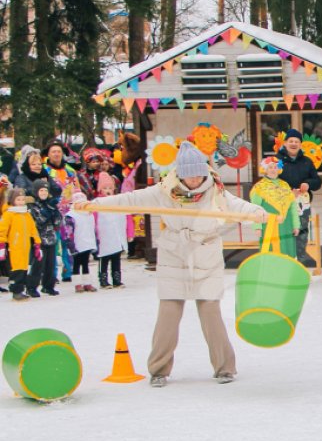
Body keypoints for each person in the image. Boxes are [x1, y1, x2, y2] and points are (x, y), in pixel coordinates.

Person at [77, 141, 267, 386]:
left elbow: (238, 206)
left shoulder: (216, 190)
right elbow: (130, 200)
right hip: (173, 255)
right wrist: (93, 205)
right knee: (169, 312)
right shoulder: (164, 190)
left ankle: (224, 367)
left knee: (210, 311)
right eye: (190, 177)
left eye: (199, 175)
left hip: (206, 255)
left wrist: (257, 212)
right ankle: (159, 370)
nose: (195, 181)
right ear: (180, 175)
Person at [277, 129, 321, 266]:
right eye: (291, 141)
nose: (294, 144)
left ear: (301, 145)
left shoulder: (307, 161)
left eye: (297, 141)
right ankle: (284, 265)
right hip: (282, 205)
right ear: (285, 143)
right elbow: (271, 180)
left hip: (302, 205)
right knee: (285, 234)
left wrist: (308, 184)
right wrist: (288, 191)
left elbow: (317, 181)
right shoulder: (277, 161)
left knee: (301, 234)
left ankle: (300, 265)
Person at [43, 140, 80, 283]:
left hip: (69, 212)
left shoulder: (70, 171)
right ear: (48, 154)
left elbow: (77, 189)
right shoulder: (44, 171)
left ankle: (68, 271)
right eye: (53, 151)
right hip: (52, 212)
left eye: (58, 151)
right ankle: (51, 274)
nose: (56, 154)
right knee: (53, 242)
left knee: (68, 242)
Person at [250, 156, 300, 256]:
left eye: (275, 167)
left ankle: (287, 271)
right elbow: (255, 208)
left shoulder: (285, 185)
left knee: (287, 249)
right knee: (270, 249)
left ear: (279, 169)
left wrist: (296, 225)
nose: (273, 170)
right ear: (265, 169)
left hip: (286, 224)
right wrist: (257, 227)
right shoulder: (259, 186)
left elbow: (293, 207)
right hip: (269, 224)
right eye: (270, 167)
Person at [0, 188, 42, 302]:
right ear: (12, 200)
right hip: (14, 246)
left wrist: (37, 242)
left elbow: (33, 229)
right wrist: (2, 244)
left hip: (25, 245)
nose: (21, 202)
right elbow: (2, 230)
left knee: (24, 267)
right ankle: (16, 290)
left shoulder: (26, 214)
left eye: (23, 199)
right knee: (16, 268)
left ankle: (21, 289)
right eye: (18, 199)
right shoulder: (9, 214)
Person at [95, 172, 133, 289]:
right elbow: (94, 219)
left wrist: (130, 233)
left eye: (110, 188)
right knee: (104, 258)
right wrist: (94, 234)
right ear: (100, 190)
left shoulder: (119, 201)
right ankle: (103, 280)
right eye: (105, 188)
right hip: (104, 236)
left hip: (117, 235)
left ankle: (117, 279)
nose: (108, 190)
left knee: (116, 258)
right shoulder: (97, 203)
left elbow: (128, 217)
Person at [27, 179, 62, 297]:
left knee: (50, 264)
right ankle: (31, 287)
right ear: (36, 192)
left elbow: (57, 223)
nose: (43, 193)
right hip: (39, 240)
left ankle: (48, 286)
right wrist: (48, 211)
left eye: (45, 190)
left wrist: (55, 211)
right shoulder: (33, 206)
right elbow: (39, 221)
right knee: (38, 265)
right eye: (41, 190)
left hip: (51, 238)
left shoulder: (50, 204)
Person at [63, 192, 98, 292]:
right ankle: (77, 283)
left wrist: (95, 240)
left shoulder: (90, 214)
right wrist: (70, 244)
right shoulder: (71, 216)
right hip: (77, 243)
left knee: (86, 262)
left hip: (87, 242)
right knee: (77, 263)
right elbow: (68, 231)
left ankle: (87, 283)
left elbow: (93, 228)